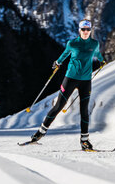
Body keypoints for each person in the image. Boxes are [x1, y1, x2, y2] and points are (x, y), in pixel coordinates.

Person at [28, 19, 105, 150]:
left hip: (86, 81)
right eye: (83, 29)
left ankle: (84, 141)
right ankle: (40, 133)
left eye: (88, 29)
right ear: (79, 30)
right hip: (70, 79)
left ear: (90, 30)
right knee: (58, 106)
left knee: (84, 111)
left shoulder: (94, 43)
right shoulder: (73, 43)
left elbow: (97, 54)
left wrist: (102, 60)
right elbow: (64, 54)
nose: (85, 32)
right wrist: (57, 62)